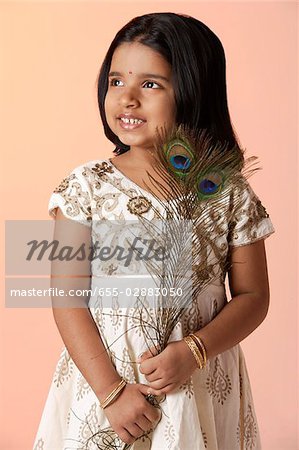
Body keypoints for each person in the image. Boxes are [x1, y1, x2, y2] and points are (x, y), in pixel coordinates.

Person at [33, 12, 275, 450]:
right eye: (115, 81)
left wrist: (194, 352)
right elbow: (67, 297)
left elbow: (254, 297)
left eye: (150, 84)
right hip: (106, 384)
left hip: (196, 382)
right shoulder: (86, 187)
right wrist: (111, 393)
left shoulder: (226, 192)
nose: (127, 98)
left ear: (192, 90)